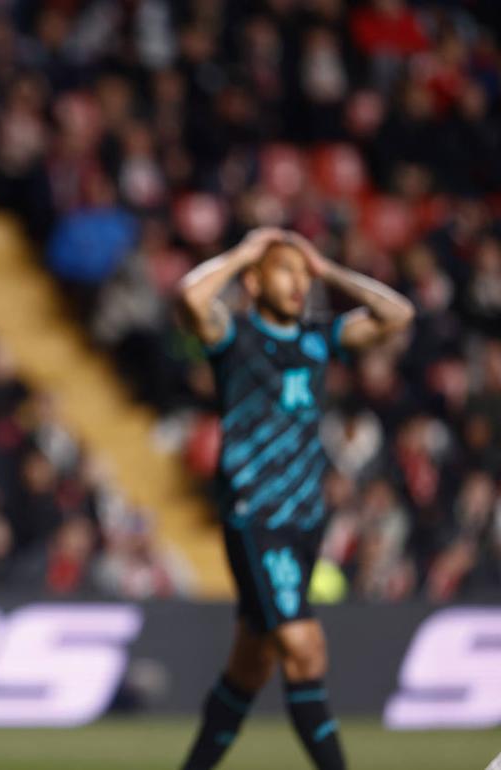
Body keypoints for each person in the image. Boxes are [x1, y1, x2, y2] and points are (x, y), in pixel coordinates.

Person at [175, 228, 414, 770]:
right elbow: (191, 298)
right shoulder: (232, 339)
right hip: (257, 518)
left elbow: (397, 315)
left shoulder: (317, 339)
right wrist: (242, 253)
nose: (298, 283)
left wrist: (329, 269)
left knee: (250, 666)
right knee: (304, 649)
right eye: (286, 271)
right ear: (256, 280)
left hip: (307, 521)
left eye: (303, 276)